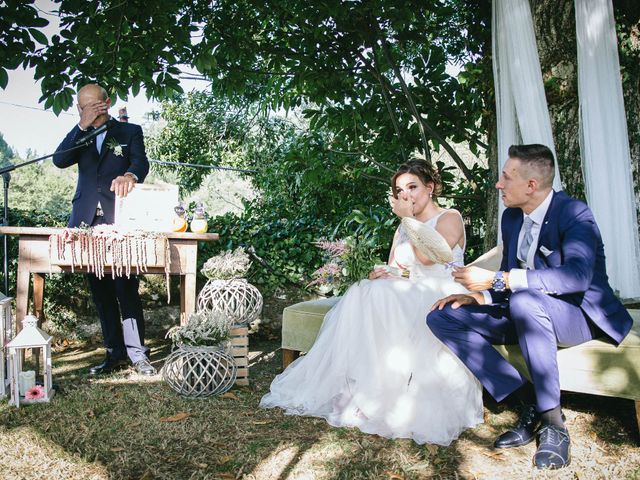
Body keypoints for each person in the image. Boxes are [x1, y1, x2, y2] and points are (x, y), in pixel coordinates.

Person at [428, 144, 633, 469]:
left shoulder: (574, 213)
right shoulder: (512, 218)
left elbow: (576, 277)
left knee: (523, 300)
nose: (498, 184)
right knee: (443, 316)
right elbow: (512, 279)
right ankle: (526, 401)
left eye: (506, 177)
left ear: (531, 185)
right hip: (526, 308)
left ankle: (554, 424)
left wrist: (496, 280)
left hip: (578, 313)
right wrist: (479, 297)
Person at [260, 158, 483, 446]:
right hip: (410, 290)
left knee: (381, 295)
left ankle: (382, 397)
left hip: (441, 289)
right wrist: (382, 272)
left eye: (413, 187)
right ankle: (361, 391)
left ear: (430, 187)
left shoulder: (448, 217)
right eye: (400, 191)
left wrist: (407, 220)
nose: (406, 196)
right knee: (366, 289)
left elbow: (429, 258)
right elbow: (399, 267)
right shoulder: (403, 227)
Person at [53, 84, 155, 376]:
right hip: (85, 223)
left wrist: (130, 174)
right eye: (83, 106)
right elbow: (59, 161)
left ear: (107, 103)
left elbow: (140, 162)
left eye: (94, 105)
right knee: (100, 292)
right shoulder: (79, 135)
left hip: (120, 220)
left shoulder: (129, 131)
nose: (89, 110)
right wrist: (81, 126)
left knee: (127, 290)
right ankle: (114, 354)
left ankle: (138, 354)